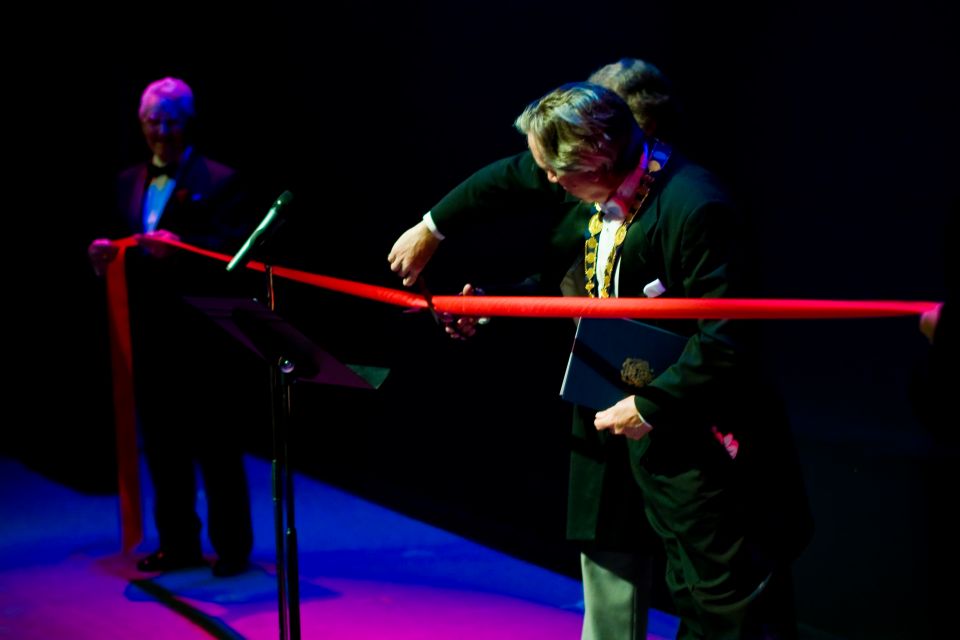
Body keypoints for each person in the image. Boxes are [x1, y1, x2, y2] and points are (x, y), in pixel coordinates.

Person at [402, 81, 815, 639]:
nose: (546, 180)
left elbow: (728, 340)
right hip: (648, 434)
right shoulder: (605, 190)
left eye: (553, 170)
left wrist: (649, 404)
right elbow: (583, 289)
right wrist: (488, 291)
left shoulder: (694, 207)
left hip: (703, 440)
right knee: (688, 588)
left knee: (726, 602)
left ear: (595, 157)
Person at [389, 59, 678, 639]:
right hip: (601, 391)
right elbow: (561, 278)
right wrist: (453, 257)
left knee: (703, 575)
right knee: (606, 543)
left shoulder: (680, 204)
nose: (550, 174)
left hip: (674, 407)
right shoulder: (575, 182)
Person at [88, 77, 259, 578]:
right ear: (141, 124)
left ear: (187, 124)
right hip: (150, 338)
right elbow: (124, 247)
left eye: (171, 122)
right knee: (163, 448)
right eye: (152, 122)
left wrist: (180, 249)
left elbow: (233, 256)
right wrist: (102, 258)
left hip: (205, 341)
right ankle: (178, 544)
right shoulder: (126, 180)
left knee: (217, 450)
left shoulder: (221, 179)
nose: (161, 131)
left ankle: (232, 549)